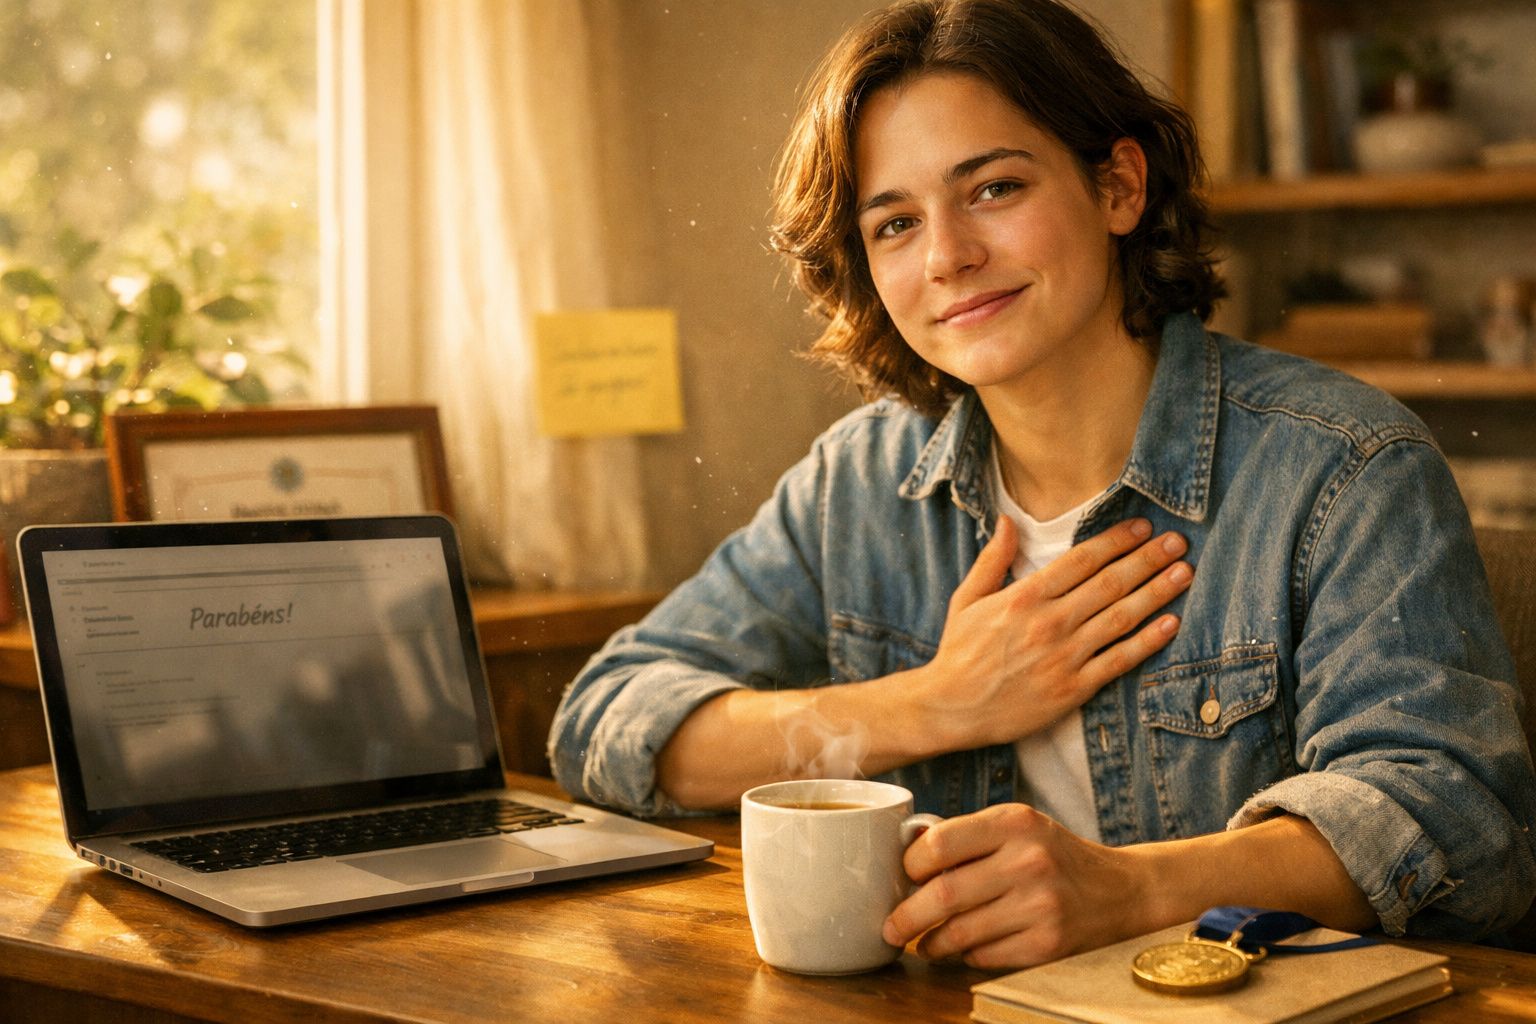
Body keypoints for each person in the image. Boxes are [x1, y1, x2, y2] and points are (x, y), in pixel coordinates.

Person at [549, 0, 1536, 968]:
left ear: (1119, 188)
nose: (949, 257)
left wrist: (1130, 892)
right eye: (895, 223)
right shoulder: (856, 481)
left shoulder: (1345, 465)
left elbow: (1458, 822)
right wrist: (936, 703)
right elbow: (608, 718)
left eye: (994, 189)